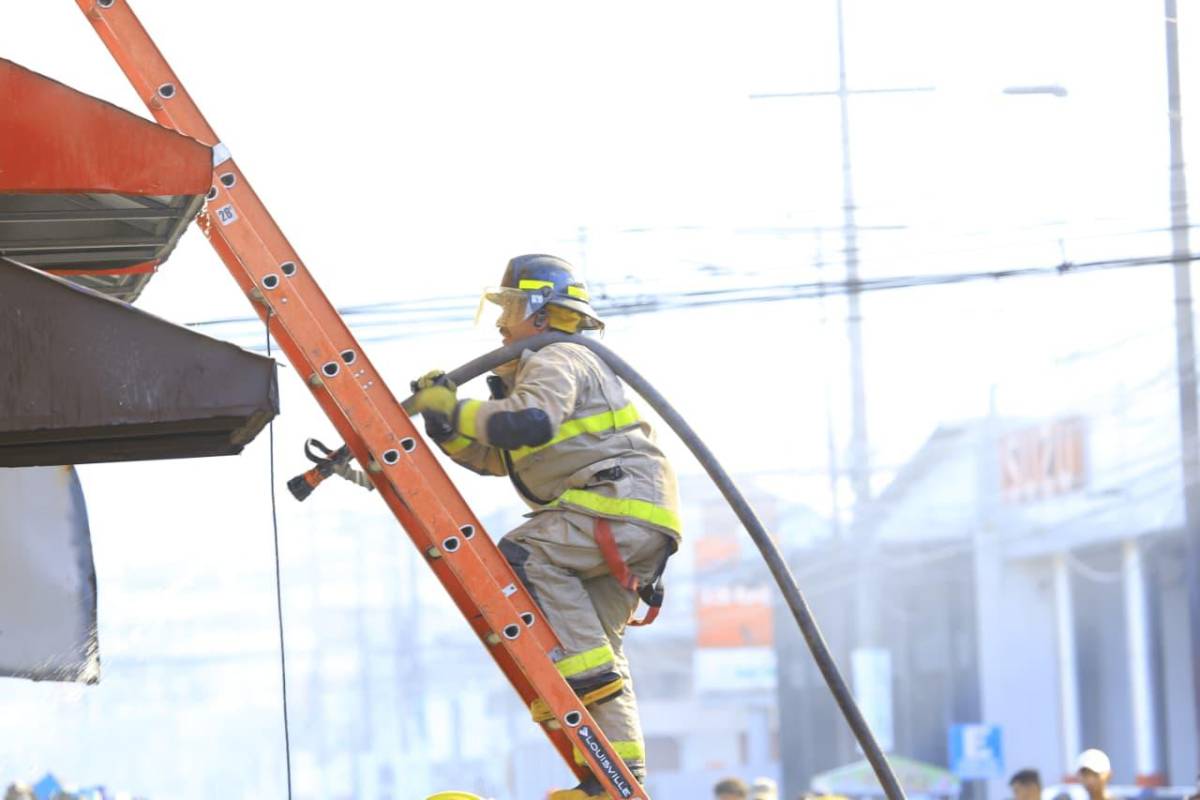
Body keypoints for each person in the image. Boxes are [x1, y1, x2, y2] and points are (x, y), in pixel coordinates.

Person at [408, 254, 681, 800]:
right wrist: (446, 425)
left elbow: (527, 423)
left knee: (525, 555)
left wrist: (453, 405)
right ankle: (614, 784)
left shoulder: (558, 356)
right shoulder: (546, 367)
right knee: (599, 648)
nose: (501, 322)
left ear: (539, 309)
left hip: (614, 506)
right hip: (626, 518)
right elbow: (501, 456)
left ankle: (586, 679)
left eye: (509, 307)